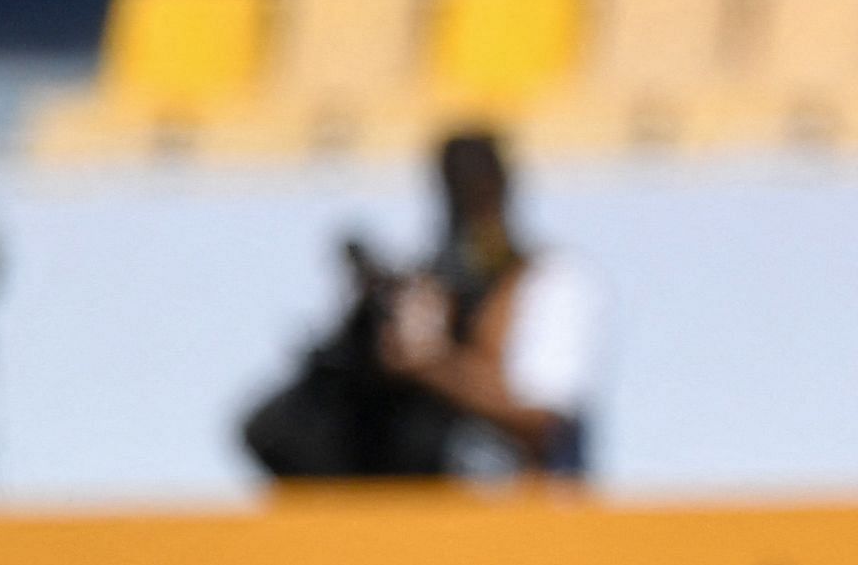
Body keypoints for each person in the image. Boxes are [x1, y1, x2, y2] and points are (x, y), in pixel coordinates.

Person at [238, 130, 599, 481]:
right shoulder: (433, 280)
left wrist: (432, 364)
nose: (465, 203)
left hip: (521, 503)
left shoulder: (548, 279)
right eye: (455, 186)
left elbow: (544, 421)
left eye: (475, 184)